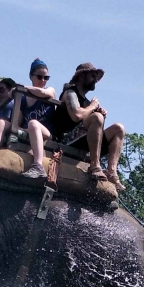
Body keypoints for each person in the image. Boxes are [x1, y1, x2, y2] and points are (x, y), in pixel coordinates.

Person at [45, 62, 127, 191]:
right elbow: (76, 115)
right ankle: (94, 166)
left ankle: (112, 172)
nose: (95, 80)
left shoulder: (88, 103)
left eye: (96, 77)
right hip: (66, 141)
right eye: (92, 76)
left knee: (119, 128)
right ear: (82, 76)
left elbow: (93, 124)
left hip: (84, 142)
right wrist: (93, 108)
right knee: (96, 117)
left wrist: (99, 113)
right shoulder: (70, 93)